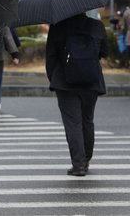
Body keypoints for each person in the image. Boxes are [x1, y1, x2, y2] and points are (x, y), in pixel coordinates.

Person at [46, 13, 108, 177]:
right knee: (87, 120)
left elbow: (50, 57)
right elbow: (104, 52)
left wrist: (54, 77)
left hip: (65, 82)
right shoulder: (97, 26)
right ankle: (86, 159)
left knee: (73, 123)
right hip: (91, 81)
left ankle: (78, 164)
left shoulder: (58, 26)